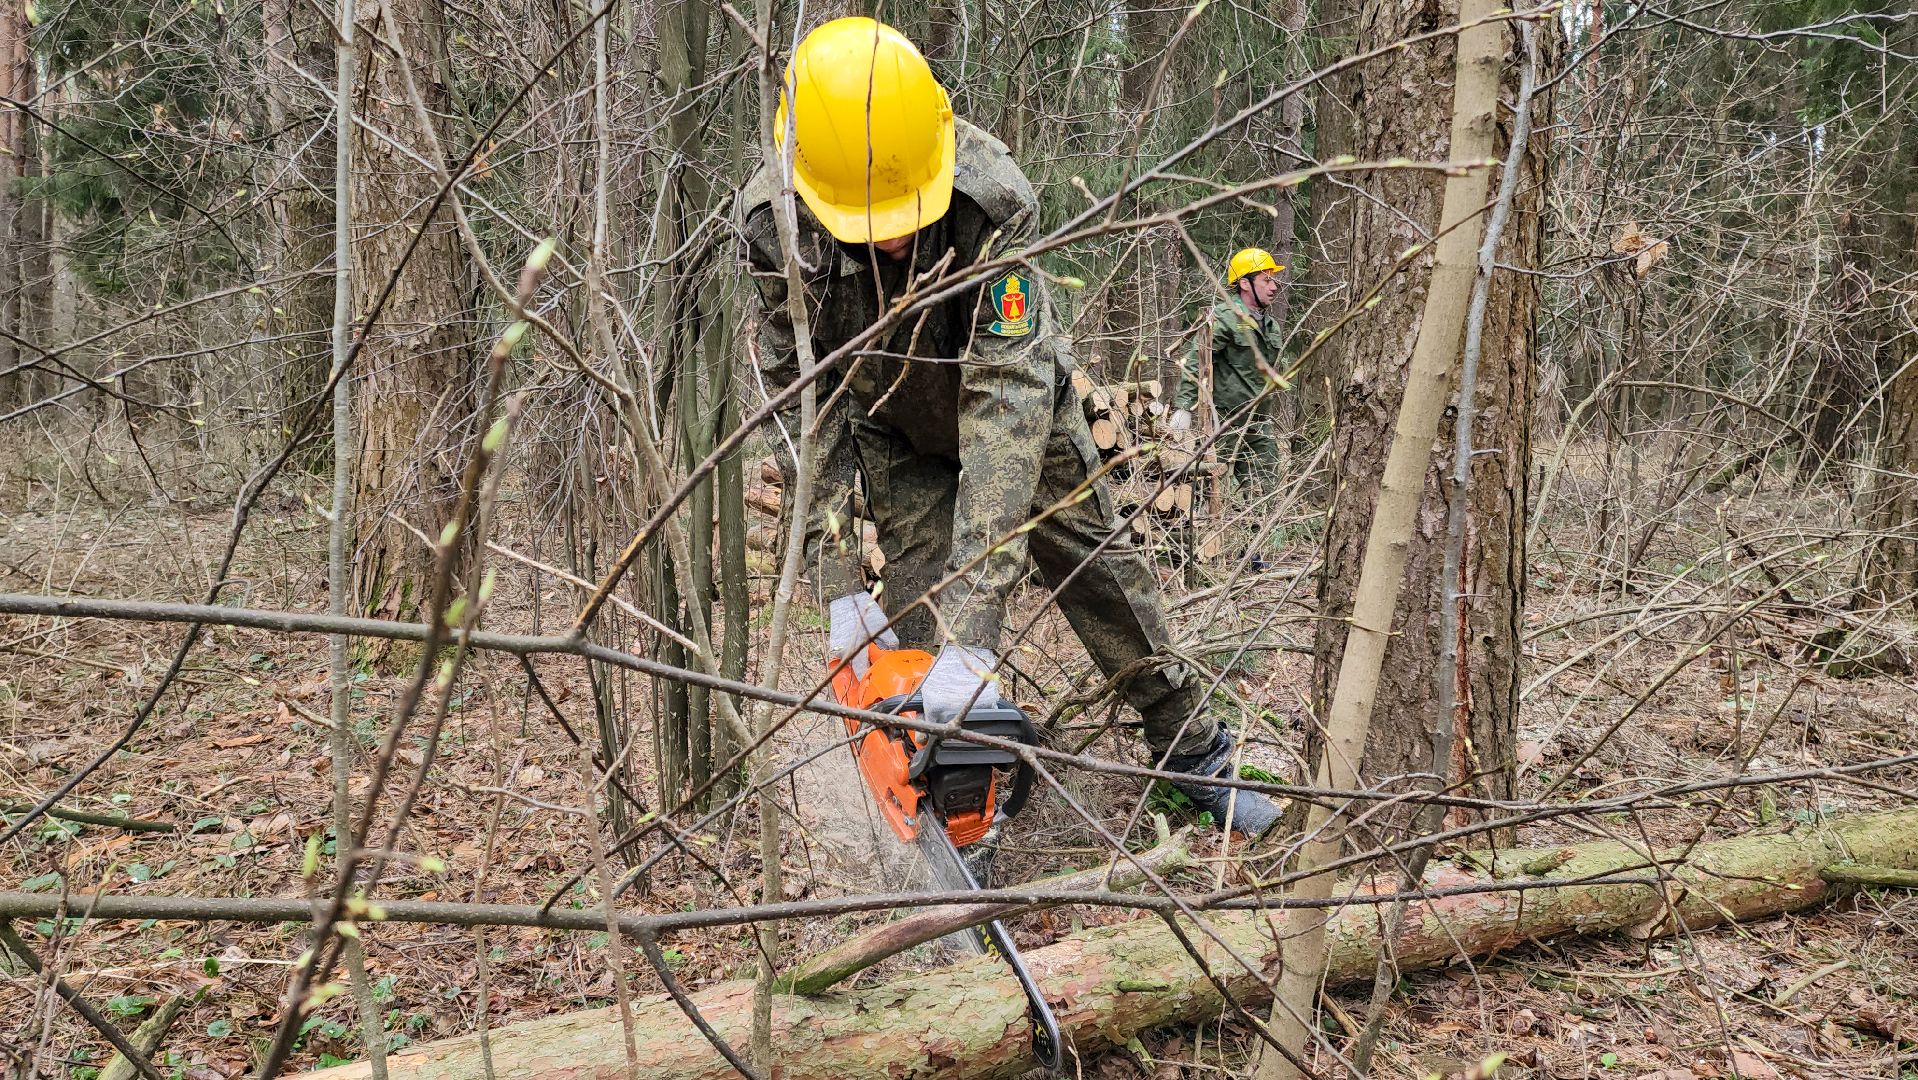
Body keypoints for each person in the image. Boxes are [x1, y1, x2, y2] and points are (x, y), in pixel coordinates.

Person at [737, 17, 1278, 837]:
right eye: (866, 220)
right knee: (921, 635)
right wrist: (836, 572)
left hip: (1016, 411)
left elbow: (1006, 399)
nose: (887, 235)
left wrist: (982, 623)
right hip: (892, 428)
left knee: (1101, 573)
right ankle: (948, 813)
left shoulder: (990, 197)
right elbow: (803, 400)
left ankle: (1190, 749)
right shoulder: (774, 226)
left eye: (900, 214)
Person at [1169, 248, 1289, 486]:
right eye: (1266, 280)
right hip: (1224, 421)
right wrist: (1184, 407)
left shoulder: (1272, 326)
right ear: (1245, 283)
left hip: (1259, 420)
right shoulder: (1224, 317)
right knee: (1213, 486)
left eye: (1273, 280)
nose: (1274, 287)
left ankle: (1259, 523)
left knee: (1264, 484)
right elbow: (1197, 361)